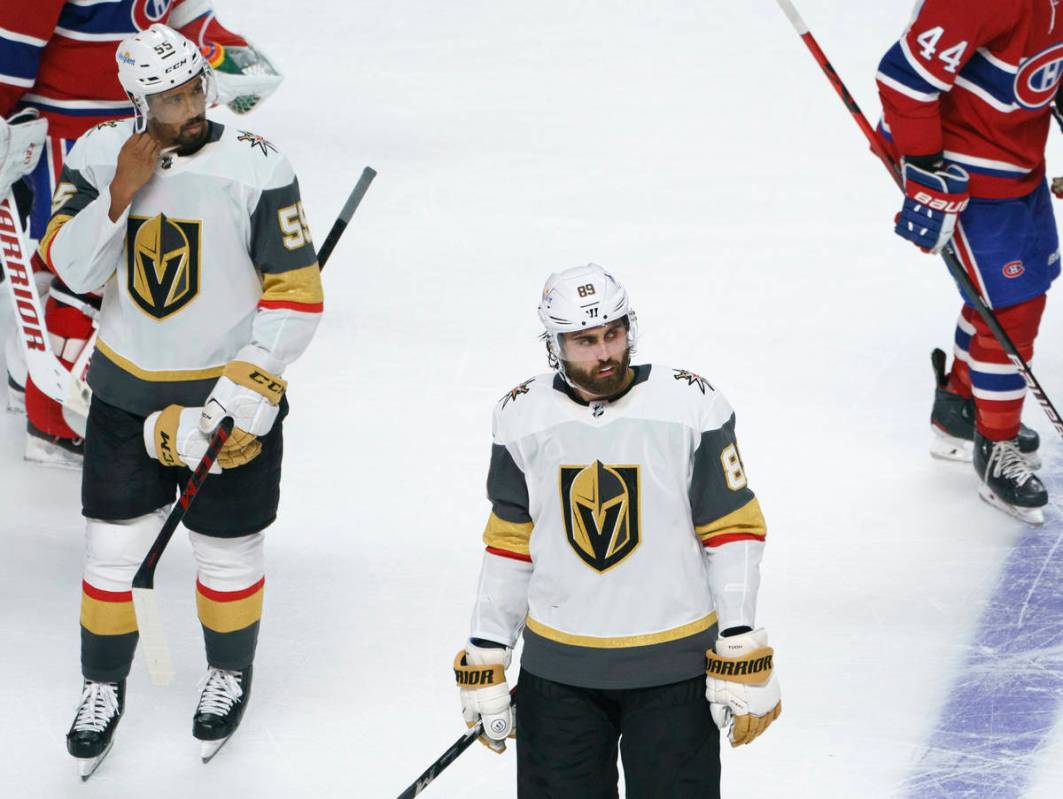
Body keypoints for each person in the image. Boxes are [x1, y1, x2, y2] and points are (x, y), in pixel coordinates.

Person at [40, 24, 321, 777]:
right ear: (138, 101)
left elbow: (296, 295)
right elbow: (65, 266)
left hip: (223, 396)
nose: (189, 107)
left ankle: (229, 670)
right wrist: (122, 192)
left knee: (228, 549)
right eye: (168, 98)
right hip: (126, 393)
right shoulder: (100, 154)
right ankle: (102, 686)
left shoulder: (259, 166)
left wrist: (249, 388)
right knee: (110, 549)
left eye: (195, 88)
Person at [453, 264, 781, 797]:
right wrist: (488, 649)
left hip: (675, 674)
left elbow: (733, 530)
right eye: (584, 340)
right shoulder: (520, 416)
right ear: (554, 344)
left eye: (613, 333)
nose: (604, 352)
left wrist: (740, 640)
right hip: (558, 678)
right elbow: (511, 541)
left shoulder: (691, 404)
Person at [0, 0, 281, 467]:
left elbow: (171, 16)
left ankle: (25, 379)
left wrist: (219, 52)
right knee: (78, 271)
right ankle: (53, 422)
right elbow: (9, 49)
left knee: (126, 267)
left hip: (146, 130)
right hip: (62, 135)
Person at [877, 1, 1062, 524]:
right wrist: (925, 169)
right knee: (1015, 309)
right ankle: (995, 445)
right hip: (963, 167)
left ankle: (961, 410)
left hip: (1020, 157)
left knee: (1010, 292)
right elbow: (904, 78)